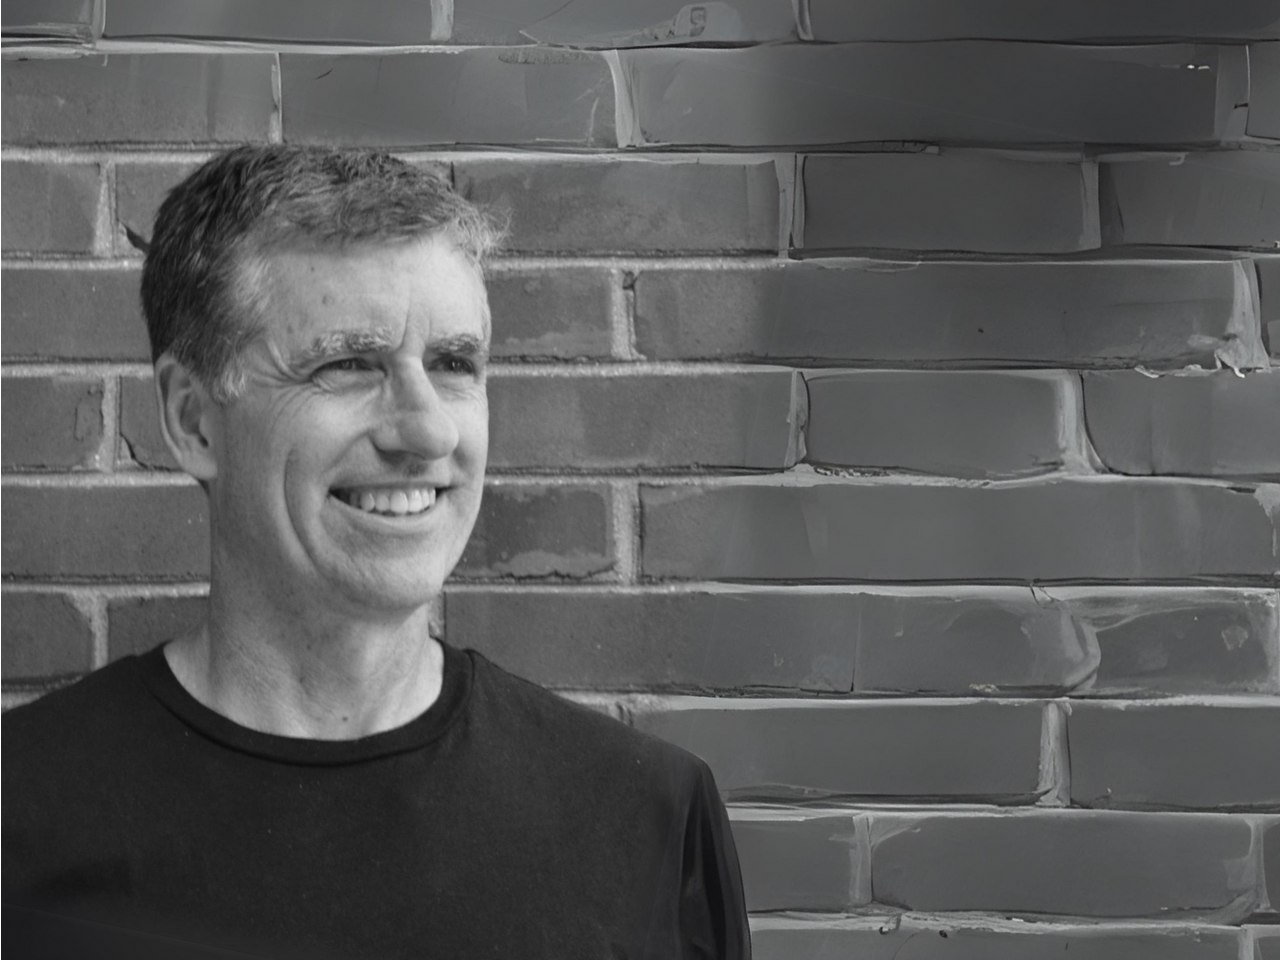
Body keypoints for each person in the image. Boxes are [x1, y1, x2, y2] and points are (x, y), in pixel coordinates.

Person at [1, 145, 750, 960]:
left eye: (455, 364)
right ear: (192, 420)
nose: (427, 430)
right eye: (350, 363)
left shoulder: (643, 820)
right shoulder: (23, 814)